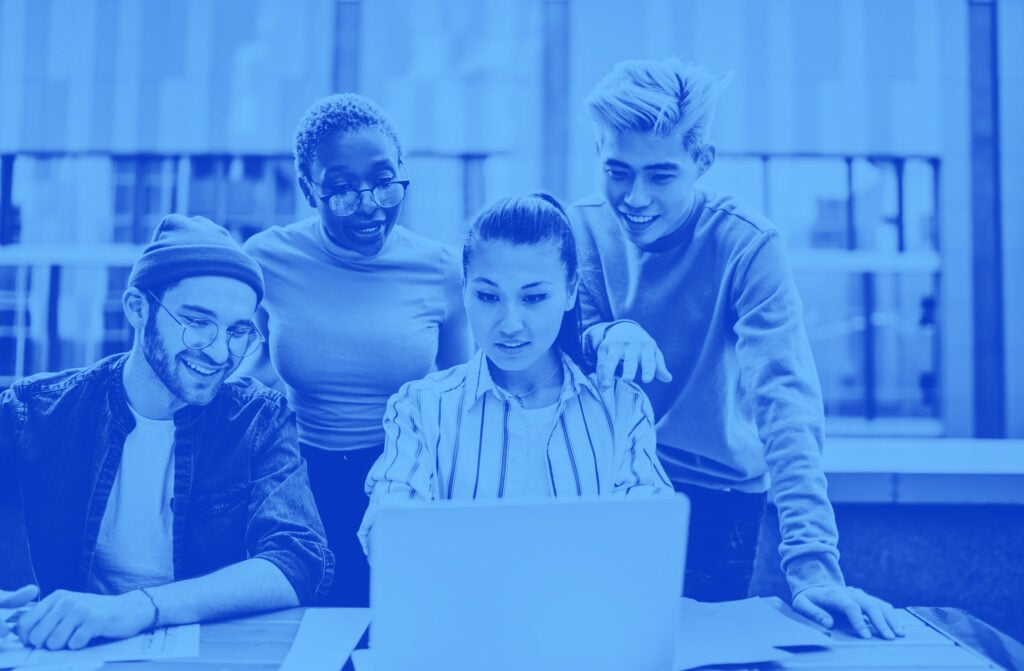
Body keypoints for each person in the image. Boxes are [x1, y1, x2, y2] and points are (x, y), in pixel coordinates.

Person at [570, 57, 904, 639]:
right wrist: (599, 333)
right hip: (602, 490)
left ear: (702, 162)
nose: (635, 197)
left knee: (705, 650)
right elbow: (558, 350)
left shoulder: (747, 245)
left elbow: (785, 401)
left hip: (717, 495)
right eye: (617, 172)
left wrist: (814, 570)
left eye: (661, 175)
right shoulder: (578, 231)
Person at [0, 214, 332, 650]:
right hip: (64, 652)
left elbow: (299, 560)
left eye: (237, 332)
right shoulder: (31, 414)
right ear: (138, 307)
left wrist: (137, 608)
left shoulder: (257, 419)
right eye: (197, 323)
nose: (218, 352)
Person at [242, 93, 472, 606]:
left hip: (403, 479)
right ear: (308, 189)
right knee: (309, 630)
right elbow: (243, 365)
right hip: (295, 479)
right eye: (341, 189)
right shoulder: (266, 260)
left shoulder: (440, 269)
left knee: (395, 632)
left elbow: (463, 395)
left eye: (384, 182)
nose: (368, 205)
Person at [358, 193, 673, 552]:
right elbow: (388, 528)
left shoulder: (621, 406)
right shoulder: (420, 407)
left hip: (586, 606)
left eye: (534, 298)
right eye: (489, 297)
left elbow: (648, 537)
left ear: (570, 292)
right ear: (464, 291)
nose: (510, 324)